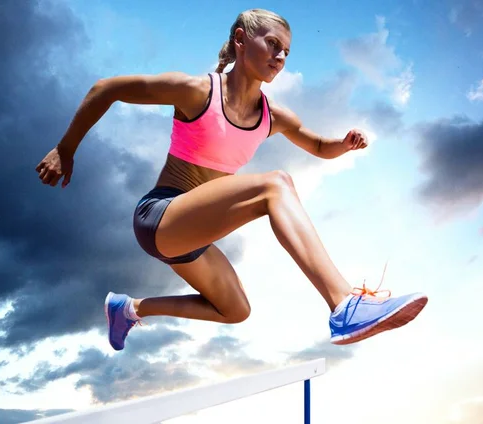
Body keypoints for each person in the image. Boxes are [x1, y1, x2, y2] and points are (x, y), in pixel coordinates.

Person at [35, 9, 428, 351]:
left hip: (192, 236)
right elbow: (106, 89)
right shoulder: (197, 91)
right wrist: (64, 149)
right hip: (160, 214)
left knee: (235, 310)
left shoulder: (274, 116)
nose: (280, 56)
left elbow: (319, 145)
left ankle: (130, 308)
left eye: (286, 52)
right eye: (273, 44)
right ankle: (344, 304)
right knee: (275, 184)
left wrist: (343, 144)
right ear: (241, 40)